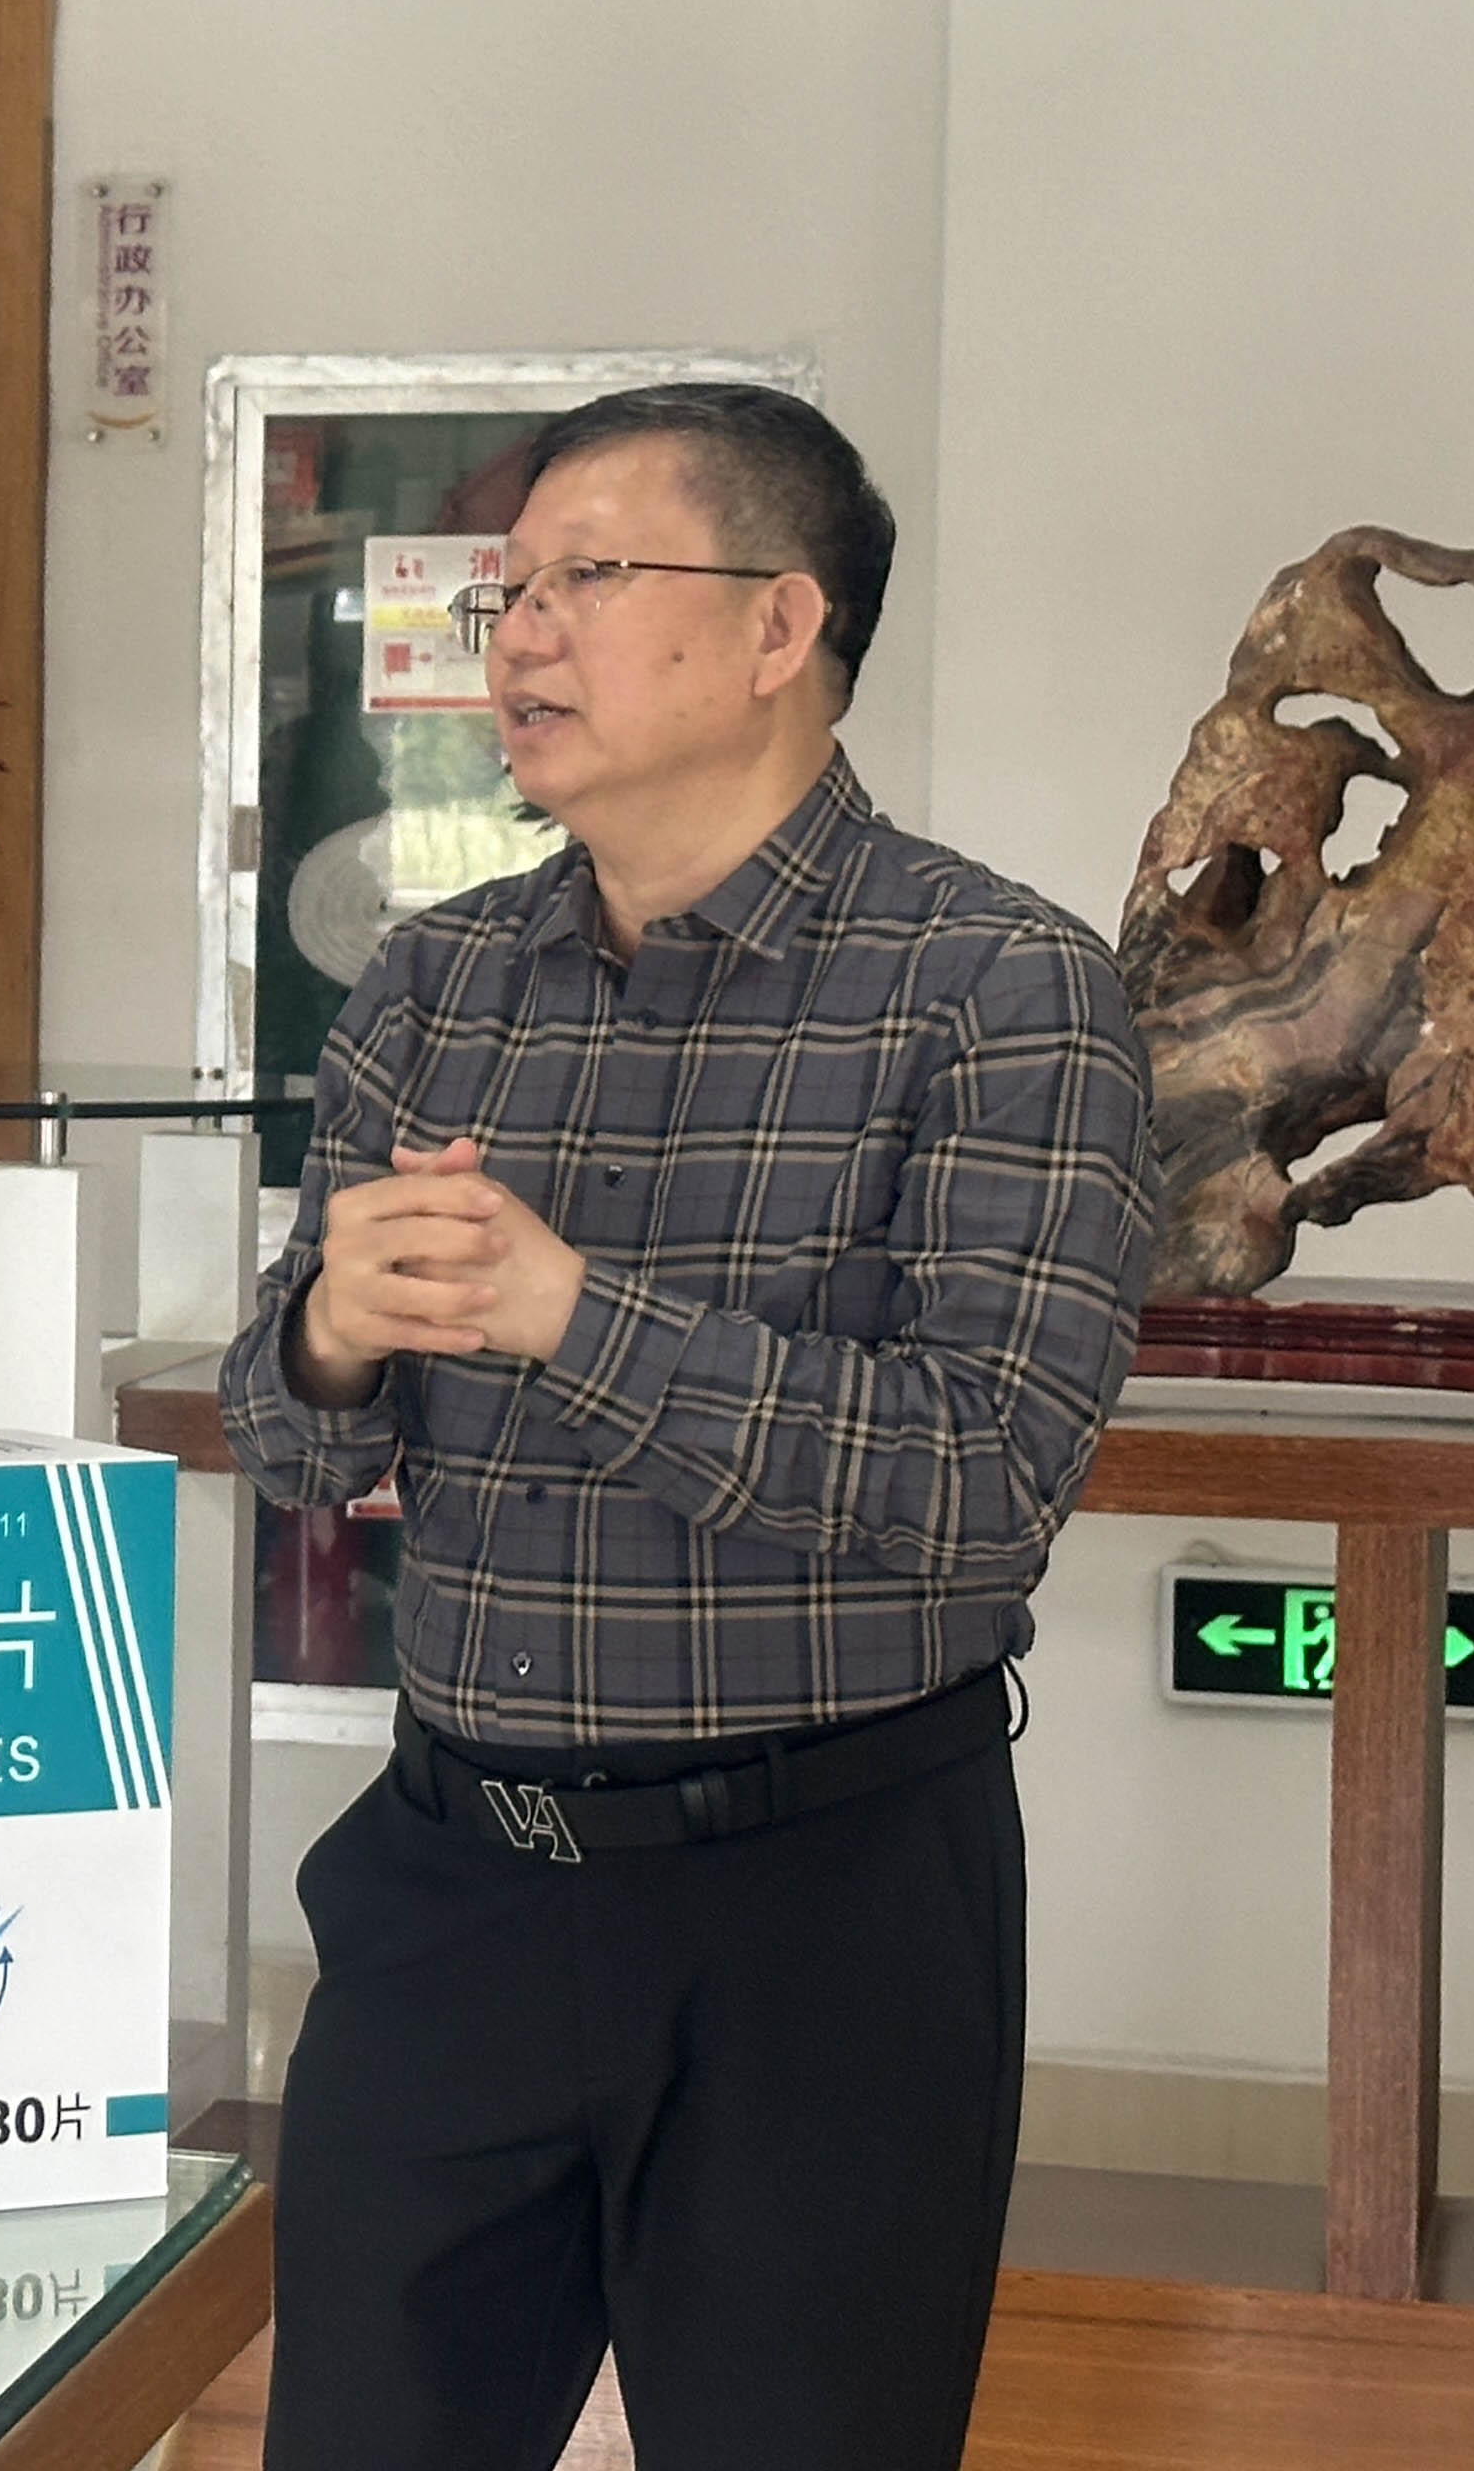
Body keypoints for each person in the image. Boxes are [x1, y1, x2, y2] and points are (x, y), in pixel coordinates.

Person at [220, 383, 1158, 2471]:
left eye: (588, 575)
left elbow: (979, 1484)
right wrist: (330, 1349)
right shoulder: (436, 987)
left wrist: (573, 1318)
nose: (521, 633)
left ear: (777, 625)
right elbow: (292, 1449)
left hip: (820, 1911)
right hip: (454, 1883)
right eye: (508, 590)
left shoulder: (1000, 989)